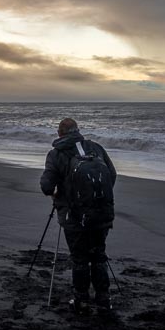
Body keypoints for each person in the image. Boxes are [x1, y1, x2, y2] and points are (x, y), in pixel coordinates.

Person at [39, 118, 118, 313]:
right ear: (78, 131)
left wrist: (58, 196)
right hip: (102, 213)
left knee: (80, 258)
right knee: (99, 255)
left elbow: (46, 186)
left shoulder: (56, 154)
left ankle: (81, 301)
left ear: (59, 133)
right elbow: (112, 175)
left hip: (74, 217)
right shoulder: (96, 148)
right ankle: (104, 299)